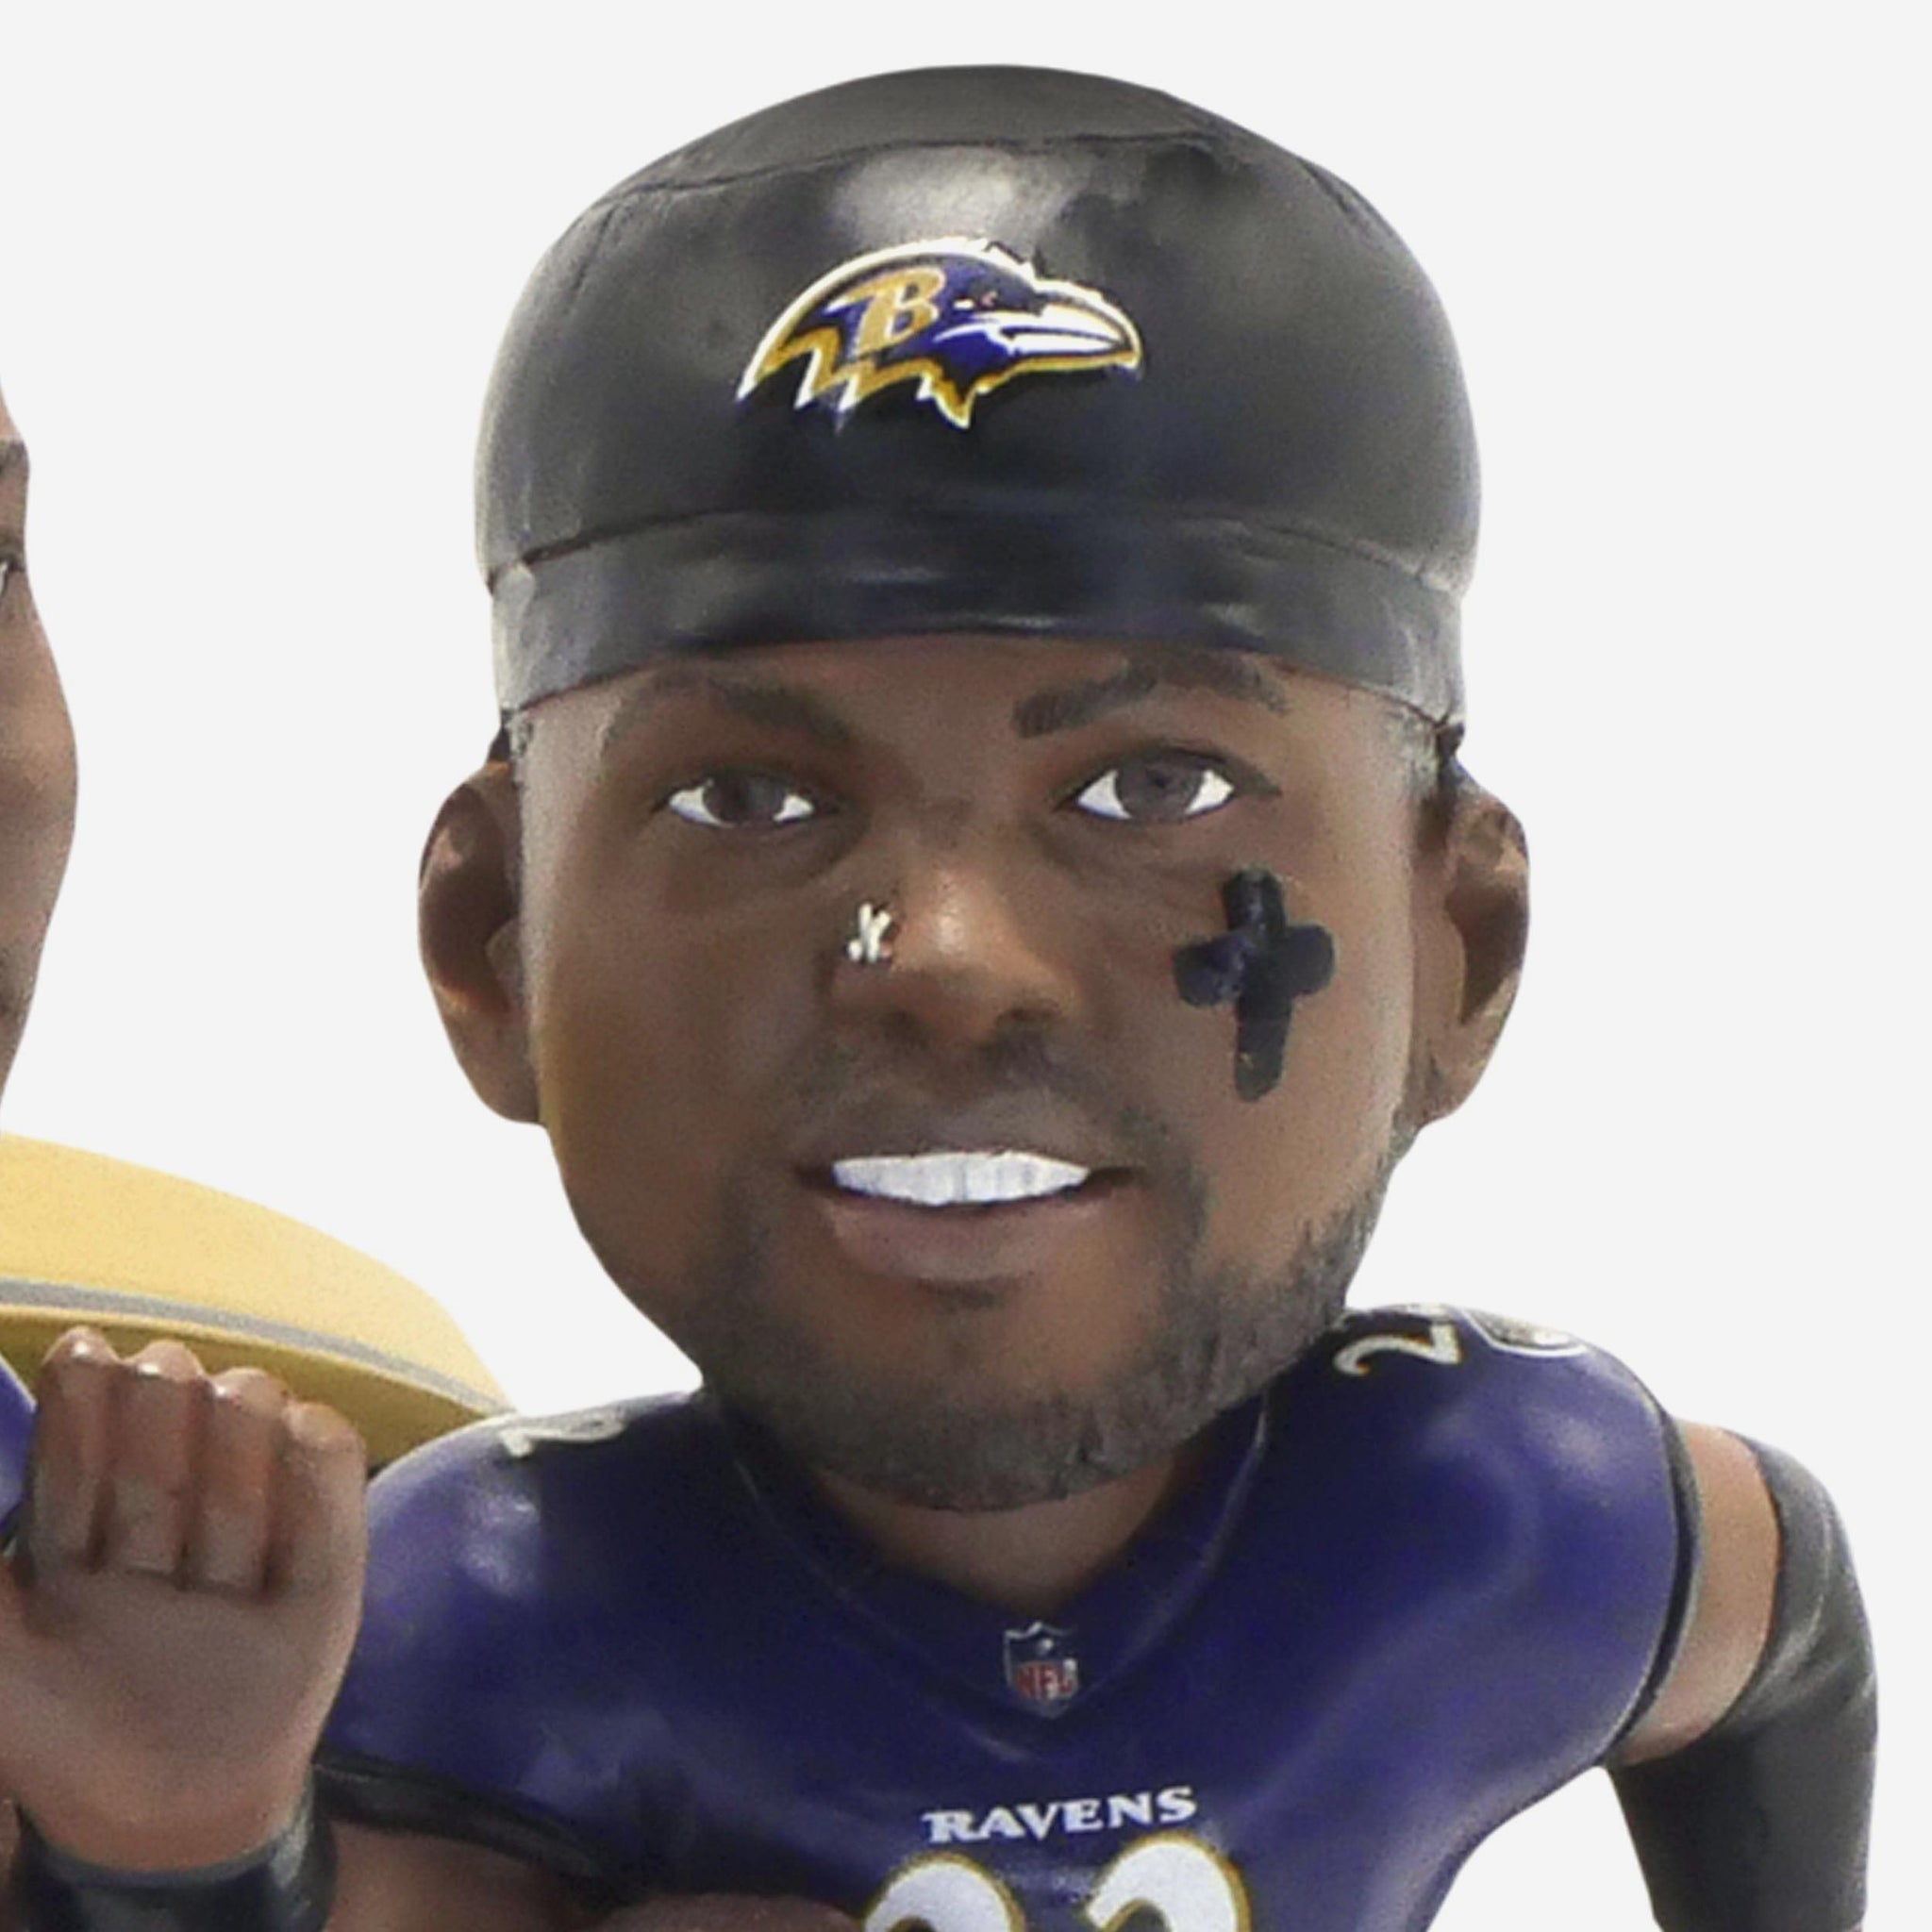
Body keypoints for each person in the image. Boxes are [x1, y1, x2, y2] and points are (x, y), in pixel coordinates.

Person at [0, 66, 1874, 1932]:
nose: (953, 961)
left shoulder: (1493, 1511)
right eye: (752, 800)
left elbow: (1782, 1631)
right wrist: (180, 1831)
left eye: (1154, 787)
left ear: (1463, 942)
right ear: (495, 939)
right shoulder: (487, 1615)